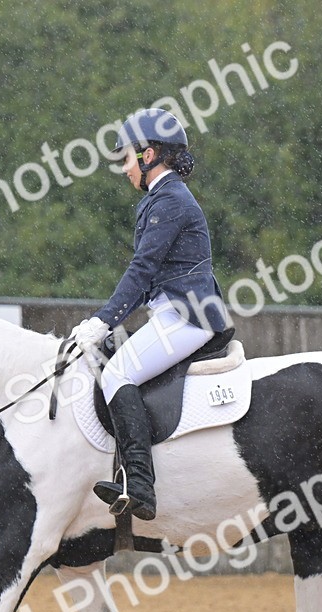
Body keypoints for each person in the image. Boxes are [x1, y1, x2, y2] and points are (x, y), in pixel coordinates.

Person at [69, 107, 229, 520]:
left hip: (189, 316)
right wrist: (108, 323)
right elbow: (149, 279)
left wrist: (103, 319)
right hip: (172, 312)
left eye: (126, 159)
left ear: (150, 154)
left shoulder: (171, 200)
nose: (124, 169)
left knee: (118, 373)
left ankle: (139, 484)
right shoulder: (162, 199)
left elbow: (141, 270)